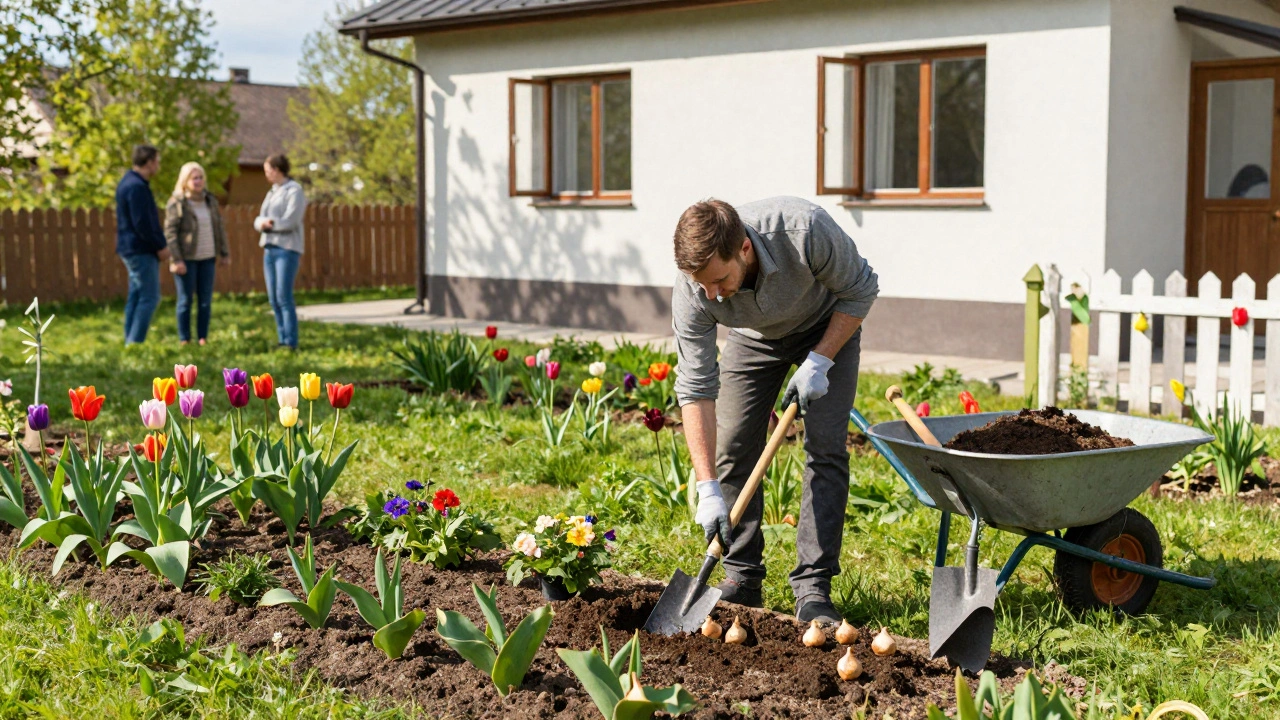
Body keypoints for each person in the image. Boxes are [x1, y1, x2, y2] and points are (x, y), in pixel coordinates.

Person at [672, 196, 879, 626]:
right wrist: (706, 487)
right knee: (733, 445)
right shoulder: (695, 288)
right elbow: (695, 385)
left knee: (825, 449)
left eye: (719, 280)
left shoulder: (804, 230)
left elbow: (861, 288)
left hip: (825, 324)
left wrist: (820, 361)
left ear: (744, 249)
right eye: (702, 285)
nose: (711, 295)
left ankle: (813, 589)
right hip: (754, 337)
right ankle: (742, 578)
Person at [164, 162, 231, 346]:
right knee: (185, 300)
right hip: (186, 259)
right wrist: (176, 259)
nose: (198, 181)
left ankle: (203, 338)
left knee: (205, 301)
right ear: (185, 181)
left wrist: (224, 253)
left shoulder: (210, 200)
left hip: (207, 257)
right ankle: (184, 338)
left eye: (201, 177)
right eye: (194, 178)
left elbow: (219, 228)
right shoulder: (177, 203)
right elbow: (170, 233)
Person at [115, 144, 170, 345]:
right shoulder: (136, 187)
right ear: (149, 162)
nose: (158, 165)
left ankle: (130, 341)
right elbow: (142, 224)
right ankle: (134, 343)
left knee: (137, 295)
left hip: (132, 248)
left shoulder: (129, 182)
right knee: (150, 297)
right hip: (140, 249)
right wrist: (160, 246)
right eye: (157, 161)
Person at [254, 153, 307, 350]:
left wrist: (269, 224)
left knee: (283, 296)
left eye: (268, 171)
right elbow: (258, 218)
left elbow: (291, 220)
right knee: (273, 298)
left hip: (287, 248)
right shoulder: (272, 191)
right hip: (269, 248)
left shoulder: (294, 191)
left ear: (277, 170)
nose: (266, 175)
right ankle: (282, 339)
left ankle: (291, 342)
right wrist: (262, 223)